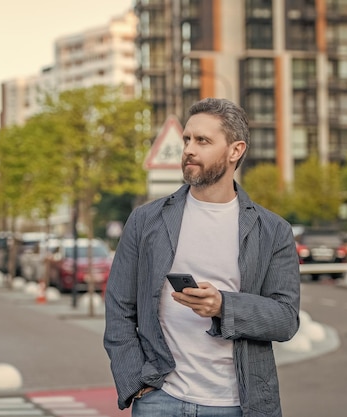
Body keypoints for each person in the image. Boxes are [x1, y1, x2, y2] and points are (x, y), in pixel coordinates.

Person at [104, 98, 301, 417]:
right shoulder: (146, 221)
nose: (189, 150)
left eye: (203, 141)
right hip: (161, 399)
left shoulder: (273, 230)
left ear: (235, 150)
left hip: (240, 404)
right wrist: (135, 383)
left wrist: (223, 306)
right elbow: (119, 308)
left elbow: (286, 319)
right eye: (187, 139)